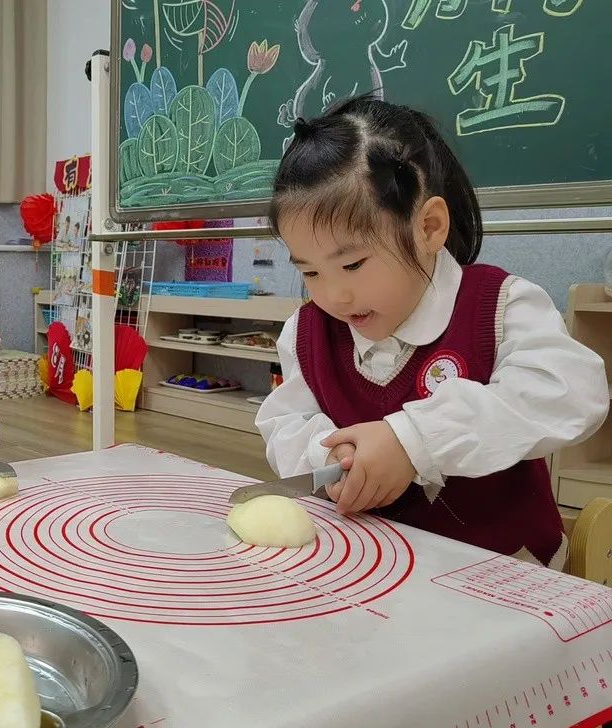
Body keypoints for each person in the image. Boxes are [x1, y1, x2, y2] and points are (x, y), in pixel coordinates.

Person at [255, 95, 608, 569]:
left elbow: (571, 392)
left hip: (500, 572)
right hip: (372, 565)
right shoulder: (307, 331)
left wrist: (415, 440)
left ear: (429, 226)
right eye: (311, 273)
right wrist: (330, 456)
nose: (334, 296)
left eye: (353, 264)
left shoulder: (497, 305)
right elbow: (285, 423)